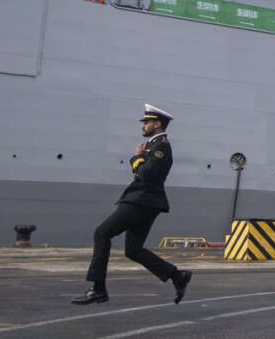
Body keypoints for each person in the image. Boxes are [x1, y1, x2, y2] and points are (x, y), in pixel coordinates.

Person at [72, 105, 191, 305]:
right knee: (133, 250)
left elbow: (145, 176)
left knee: (102, 233)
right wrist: (141, 158)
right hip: (147, 202)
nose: (143, 125)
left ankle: (98, 289)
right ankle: (177, 276)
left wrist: (137, 157)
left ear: (157, 124)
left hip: (141, 201)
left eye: (147, 122)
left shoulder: (160, 147)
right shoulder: (153, 146)